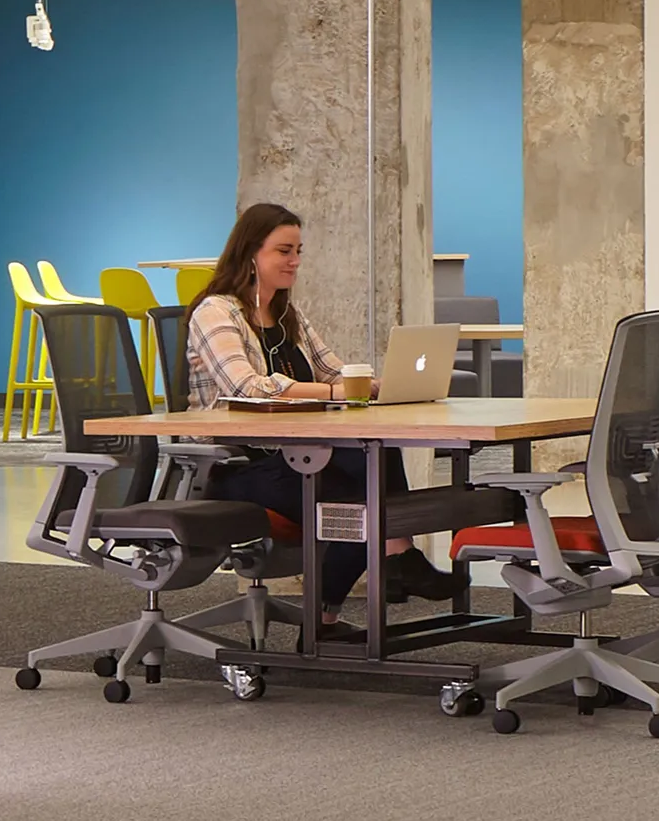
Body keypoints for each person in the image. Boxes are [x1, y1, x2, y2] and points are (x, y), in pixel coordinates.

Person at [184, 202, 456, 611]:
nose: (294, 261)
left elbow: (332, 372)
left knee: (373, 452)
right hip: (239, 465)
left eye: (298, 251)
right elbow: (246, 387)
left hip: (294, 454)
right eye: (283, 250)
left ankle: (387, 565)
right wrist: (332, 394)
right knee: (358, 502)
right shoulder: (216, 311)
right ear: (250, 253)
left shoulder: (287, 314)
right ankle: (379, 571)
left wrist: (378, 385)